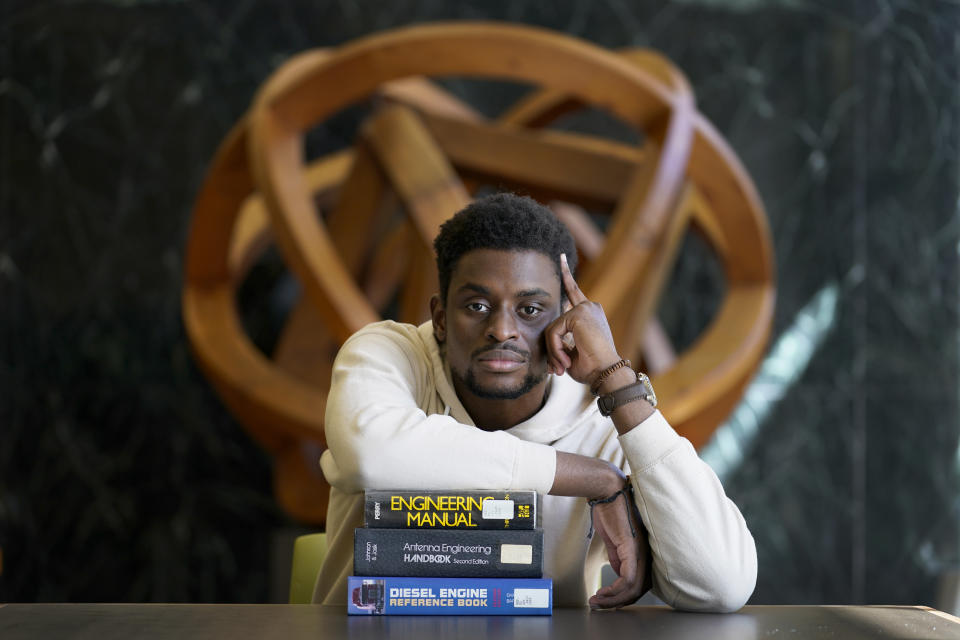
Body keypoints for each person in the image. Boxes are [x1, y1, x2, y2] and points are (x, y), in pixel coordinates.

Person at [313, 193, 757, 611]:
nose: (502, 329)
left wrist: (618, 381)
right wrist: (592, 479)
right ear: (440, 319)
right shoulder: (390, 355)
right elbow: (369, 455)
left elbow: (721, 583)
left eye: (529, 310)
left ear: (564, 325)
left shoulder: (602, 422)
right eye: (477, 305)